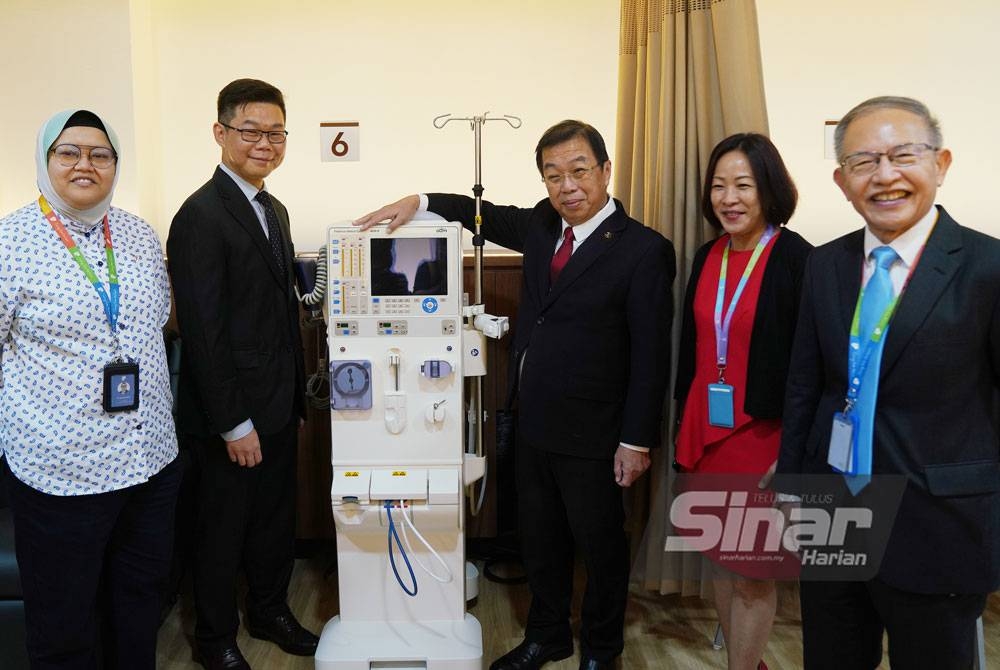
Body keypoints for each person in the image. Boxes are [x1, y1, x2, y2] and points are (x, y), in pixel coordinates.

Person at [356, 120, 675, 670]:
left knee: (599, 545)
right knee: (540, 539)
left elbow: (651, 357)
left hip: (597, 431)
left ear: (604, 171)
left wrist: (636, 440)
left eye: (578, 171)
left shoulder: (644, 250)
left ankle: (602, 649)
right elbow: (478, 212)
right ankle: (545, 635)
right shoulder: (541, 225)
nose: (567, 186)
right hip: (533, 420)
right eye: (553, 176)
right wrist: (422, 199)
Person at [776, 96, 1000, 669]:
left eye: (904, 155)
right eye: (864, 162)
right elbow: (806, 386)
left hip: (939, 523)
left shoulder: (986, 267)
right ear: (841, 180)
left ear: (941, 163)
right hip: (834, 514)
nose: (885, 175)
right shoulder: (825, 265)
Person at [0, 108, 181, 668]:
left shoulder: (138, 234)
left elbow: (158, 320)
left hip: (150, 462)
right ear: (45, 160)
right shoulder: (10, 240)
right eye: (69, 152)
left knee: (139, 607)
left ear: (115, 165)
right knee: (64, 626)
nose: (86, 164)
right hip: (61, 471)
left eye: (100, 154)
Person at [167, 79, 315, 670]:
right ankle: (214, 639)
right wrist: (234, 423)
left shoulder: (271, 207)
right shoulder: (201, 215)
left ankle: (271, 611)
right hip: (231, 413)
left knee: (274, 520)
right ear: (220, 132)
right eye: (250, 130)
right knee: (222, 529)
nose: (265, 143)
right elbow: (203, 332)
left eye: (275, 132)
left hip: (279, 400)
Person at [673, 133, 811, 670]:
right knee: (723, 567)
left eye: (743, 186)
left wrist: (797, 447)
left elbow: (815, 366)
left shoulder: (798, 258)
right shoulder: (709, 255)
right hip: (707, 437)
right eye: (719, 186)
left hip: (765, 442)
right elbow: (694, 350)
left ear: (769, 190)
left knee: (753, 574)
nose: (729, 198)